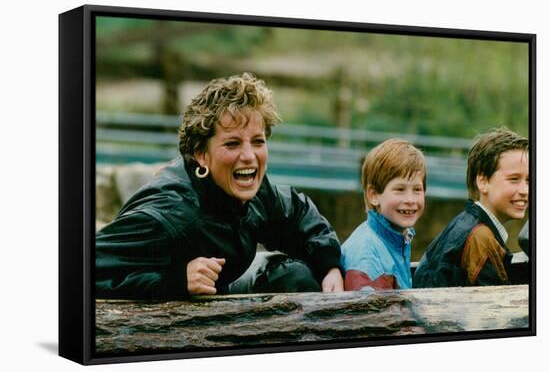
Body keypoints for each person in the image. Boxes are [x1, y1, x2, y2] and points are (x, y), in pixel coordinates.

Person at [95, 73, 344, 299]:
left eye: (257, 142)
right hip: (165, 320)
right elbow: (84, 268)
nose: (249, 156)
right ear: (201, 154)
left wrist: (329, 266)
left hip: (228, 285)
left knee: (297, 276)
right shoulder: (170, 213)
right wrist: (175, 280)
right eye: (232, 144)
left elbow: (299, 216)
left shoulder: (254, 190)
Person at [413, 127, 528, 288]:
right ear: (483, 182)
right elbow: (496, 307)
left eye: (529, 180)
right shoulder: (479, 237)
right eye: (514, 179)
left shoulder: (467, 222)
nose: (525, 190)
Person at [341, 139, 426, 291]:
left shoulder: (396, 238)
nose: (410, 200)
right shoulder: (367, 260)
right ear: (374, 195)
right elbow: (370, 314)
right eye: (400, 189)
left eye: (417, 189)